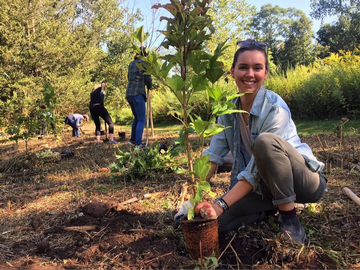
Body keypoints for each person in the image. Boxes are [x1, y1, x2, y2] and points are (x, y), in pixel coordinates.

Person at [193, 39, 327, 244]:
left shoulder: (275, 107)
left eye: (257, 68)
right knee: (220, 223)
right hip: (264, 186)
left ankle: (289, 218)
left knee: (265, 143)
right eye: (243, 67)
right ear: (232, 72)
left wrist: (221, 203)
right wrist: (195, 199)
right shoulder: (227, 110)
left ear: (265, 73)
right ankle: (268, 207)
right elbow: (214, 155)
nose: (250, 74)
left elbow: (255, 169)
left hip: (305, 182)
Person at [126, 47, 153, 149]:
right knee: (141, 118)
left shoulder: (131, 64)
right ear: (145, 55)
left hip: (129, 93)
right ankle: (138, 143)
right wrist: (150, 86)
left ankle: (133, 140)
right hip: (138, 93)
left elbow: (129, 77)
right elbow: (148, 78)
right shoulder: (144, 64)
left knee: (136, 117)